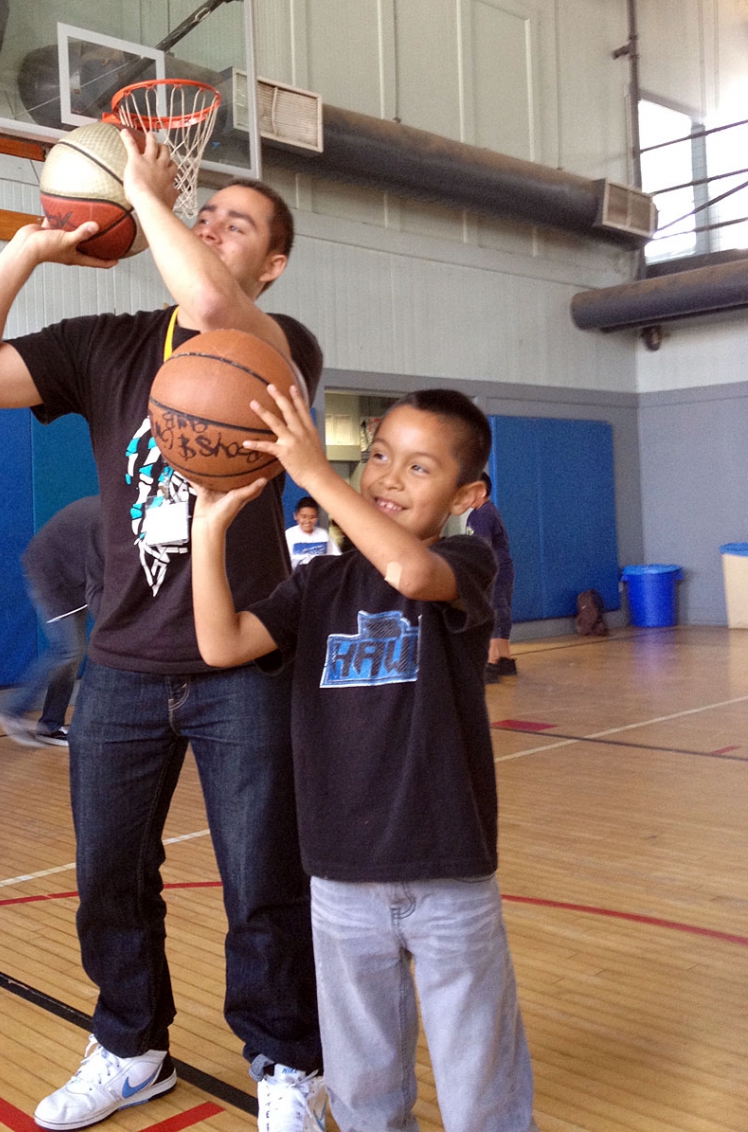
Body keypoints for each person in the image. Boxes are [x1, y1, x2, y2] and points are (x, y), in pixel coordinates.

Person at [0, 129, 324, 1132]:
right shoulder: (103, 343)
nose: (207, 223)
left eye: (237, 223)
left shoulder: (277, 341)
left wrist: (142, 199)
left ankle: (284, 1060)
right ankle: (129, 1043)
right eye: (205, 212)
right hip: (122, 668)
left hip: (244, 661)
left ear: (270, 263)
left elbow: (211, 306)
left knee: (261, 877)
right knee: (107, 873)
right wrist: (29, 248)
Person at [190, 387, 538, 1132]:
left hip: (448, 871)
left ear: (465, 495)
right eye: (379, 456)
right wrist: (207, 535)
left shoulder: (464, 562)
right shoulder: (317, 584)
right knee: (364, 1086)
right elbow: (221, 643)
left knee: (482, 1083)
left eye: (418, 468)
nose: (386, 477)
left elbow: (411, 576)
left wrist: (317, 475)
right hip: (341, 878)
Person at [0, 495, 103, 748]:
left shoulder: (110, 513)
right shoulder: (108, 520)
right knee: (67, 650)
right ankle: (13, 710)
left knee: (72, 655)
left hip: (74, 580)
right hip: (50, 576)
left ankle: (50, 726)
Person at [467, 472, 517, 682]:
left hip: (494, 571)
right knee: (501, 611)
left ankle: (491, 663)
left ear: (481, 491)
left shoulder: (482, 515)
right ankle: (505, 659)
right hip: (503, 569)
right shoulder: (483, 513)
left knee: (492, 613)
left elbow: (482, 547)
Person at [284, 495, 341, 569]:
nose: (308, 521)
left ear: (317, 518)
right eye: (304, 517)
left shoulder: (322, 535)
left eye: (312, 517)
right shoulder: (289, 535)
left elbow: (335, 556)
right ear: (296, 516)